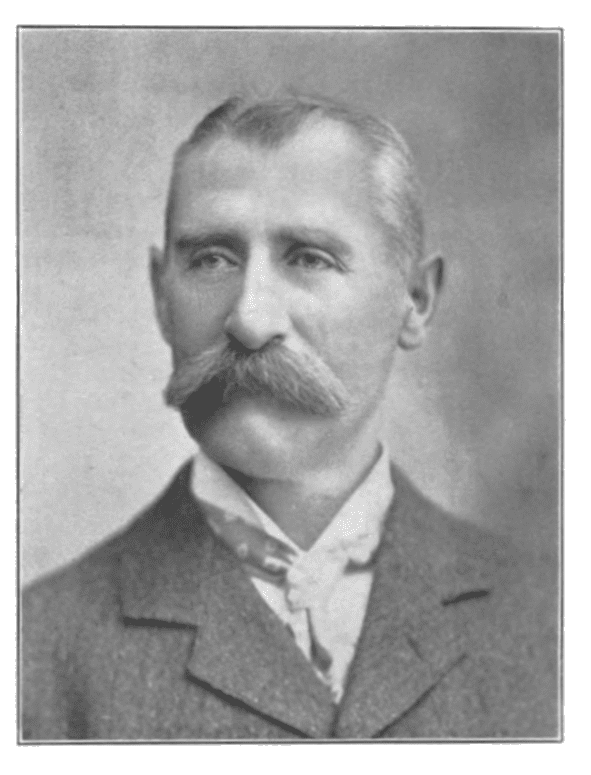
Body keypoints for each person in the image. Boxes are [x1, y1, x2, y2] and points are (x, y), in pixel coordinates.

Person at [21, 94, 558, 740]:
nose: (249, 320)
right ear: (161, 296)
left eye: (308, 257)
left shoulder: (552, 620)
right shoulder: (34, 653)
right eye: (211, 259)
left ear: (414, 300)